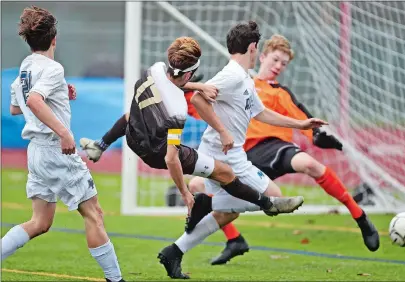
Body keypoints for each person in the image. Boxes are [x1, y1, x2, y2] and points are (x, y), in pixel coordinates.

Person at [188, 34, 380, 265]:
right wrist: (189, 93)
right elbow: (204, 108)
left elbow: (306, 122)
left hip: (276, 148)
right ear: (262, 55)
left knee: (309, 164)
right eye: (276, 60)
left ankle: (359, 216)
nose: (278, 67)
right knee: (197, 186)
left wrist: (320, 137)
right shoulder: (239, 82)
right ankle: (234, 240)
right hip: (244, 157)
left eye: (284, 64)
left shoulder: (282, 93)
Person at [157, 21, 329, 279]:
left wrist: (300, 123)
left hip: (222, 152)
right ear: (253, 47)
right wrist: (224, 131)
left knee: (228, 212)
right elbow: (198, 99)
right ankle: (206, 203)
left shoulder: (244, 78)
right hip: (227, 154)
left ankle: (175, 251)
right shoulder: (233, 75)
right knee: (273, 196)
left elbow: (261, 113)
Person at [80, 36, 306, 218]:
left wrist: (199, 85)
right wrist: (184, 193)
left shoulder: (156, 70)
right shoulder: (178, 109)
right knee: (225, 172)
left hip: (133, 137)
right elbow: (170, 159)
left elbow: (175, 82)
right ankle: (267, 203)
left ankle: (100, 145)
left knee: (133, 113)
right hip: (157, 153)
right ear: (190, 72)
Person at [1, 6, 125, 282]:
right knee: (94, 214)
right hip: (55, 150)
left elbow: (15, 107)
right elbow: (34, 100)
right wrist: (64, 133)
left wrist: (59, 95)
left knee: (40, 223)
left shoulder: (26, 66)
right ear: (54, 38)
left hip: (35, 154)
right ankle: (116, 280)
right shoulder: (53, 68)